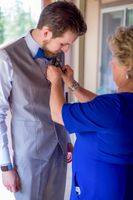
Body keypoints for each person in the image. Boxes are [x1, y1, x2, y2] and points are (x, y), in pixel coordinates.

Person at [0, 1, 87, 200]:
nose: (66, 50)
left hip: (58, 151)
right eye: (64, 43)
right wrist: (6, 167)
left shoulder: (56, 53)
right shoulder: (6, 58)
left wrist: (65, 138)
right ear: (46, 33)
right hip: (28, 158)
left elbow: (59, 99)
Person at [47, 25, 133, 200]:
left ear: (128, 67)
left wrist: (55, 81)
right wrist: (72, 85)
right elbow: (100, 109)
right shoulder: (118, 106)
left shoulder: (113, 107)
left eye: (115, 58)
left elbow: (57, 113)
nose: (111, 63)